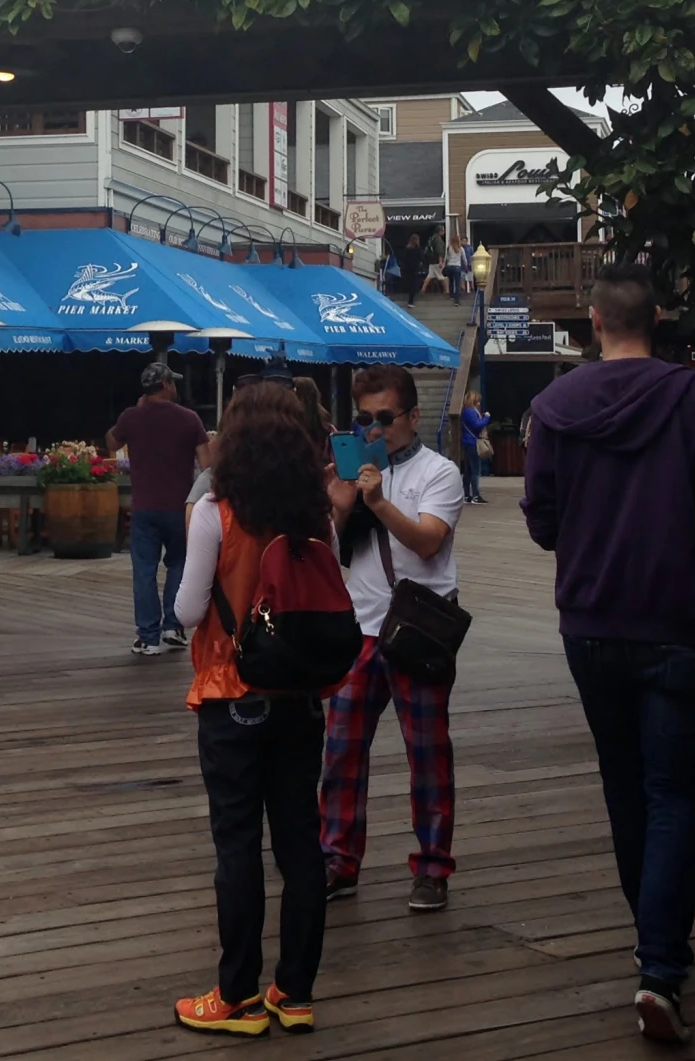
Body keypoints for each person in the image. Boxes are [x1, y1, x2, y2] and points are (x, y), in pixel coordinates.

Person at [522, 265, 695, 1045]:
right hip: (684, 624)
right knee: (674, 793)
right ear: (659, 321)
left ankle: (655, 946)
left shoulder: (552, 406)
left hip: (593, 623)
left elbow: (540, 522)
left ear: (595, 320)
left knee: (623, 786)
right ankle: (658, 966)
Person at [169, 384, 336, 1036]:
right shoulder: (313, 516)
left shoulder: (218, 512)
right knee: (300, 844)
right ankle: (293, 992)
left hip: (231, 695)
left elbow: (185, 610)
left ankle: (235, 993)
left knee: (236, 844)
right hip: (299, 698)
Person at [320, 364, 466, 914]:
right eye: (364, 420)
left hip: (418, 630)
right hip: (360, 628)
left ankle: (432, 868)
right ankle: (338, 860)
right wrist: (341, 506)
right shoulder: (358, 473)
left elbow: (428, 542)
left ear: (413, 416)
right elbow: (336, 554)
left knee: (427, 754)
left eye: (385, 418)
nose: (375, 431)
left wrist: (378, 502)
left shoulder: (440, 472)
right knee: (341, 753)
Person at [111, 364, 210, 655]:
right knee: (179, 565)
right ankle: (173, 626)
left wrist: (134, 412)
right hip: (180, 507)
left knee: (144, 571)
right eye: (173, 383)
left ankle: (147, 635)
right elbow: (207, 464)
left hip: (144, 507)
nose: (176, 388)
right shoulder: (189, 418)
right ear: (165, 384)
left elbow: (111, 441)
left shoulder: (131, 417)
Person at [459, 390, 492, 504]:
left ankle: (467, 495)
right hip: (472, 442)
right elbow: (477, 425)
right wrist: (486, 418)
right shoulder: (470, 412)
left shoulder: (466, 411)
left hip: (467, 442)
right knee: (475, 471)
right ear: (474, 401)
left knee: (468, 470)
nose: (479, 403)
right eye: (477, 401)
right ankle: (476, 496)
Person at [444, 237, 468, 303]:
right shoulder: (461, 249)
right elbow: (464, 259)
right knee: (457, 283)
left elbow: (447, 258)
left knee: (451, 282)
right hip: (457, 267)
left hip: (449, 266)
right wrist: (466, 265)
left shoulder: (449, 248)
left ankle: (451, 296)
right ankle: (457, 300)